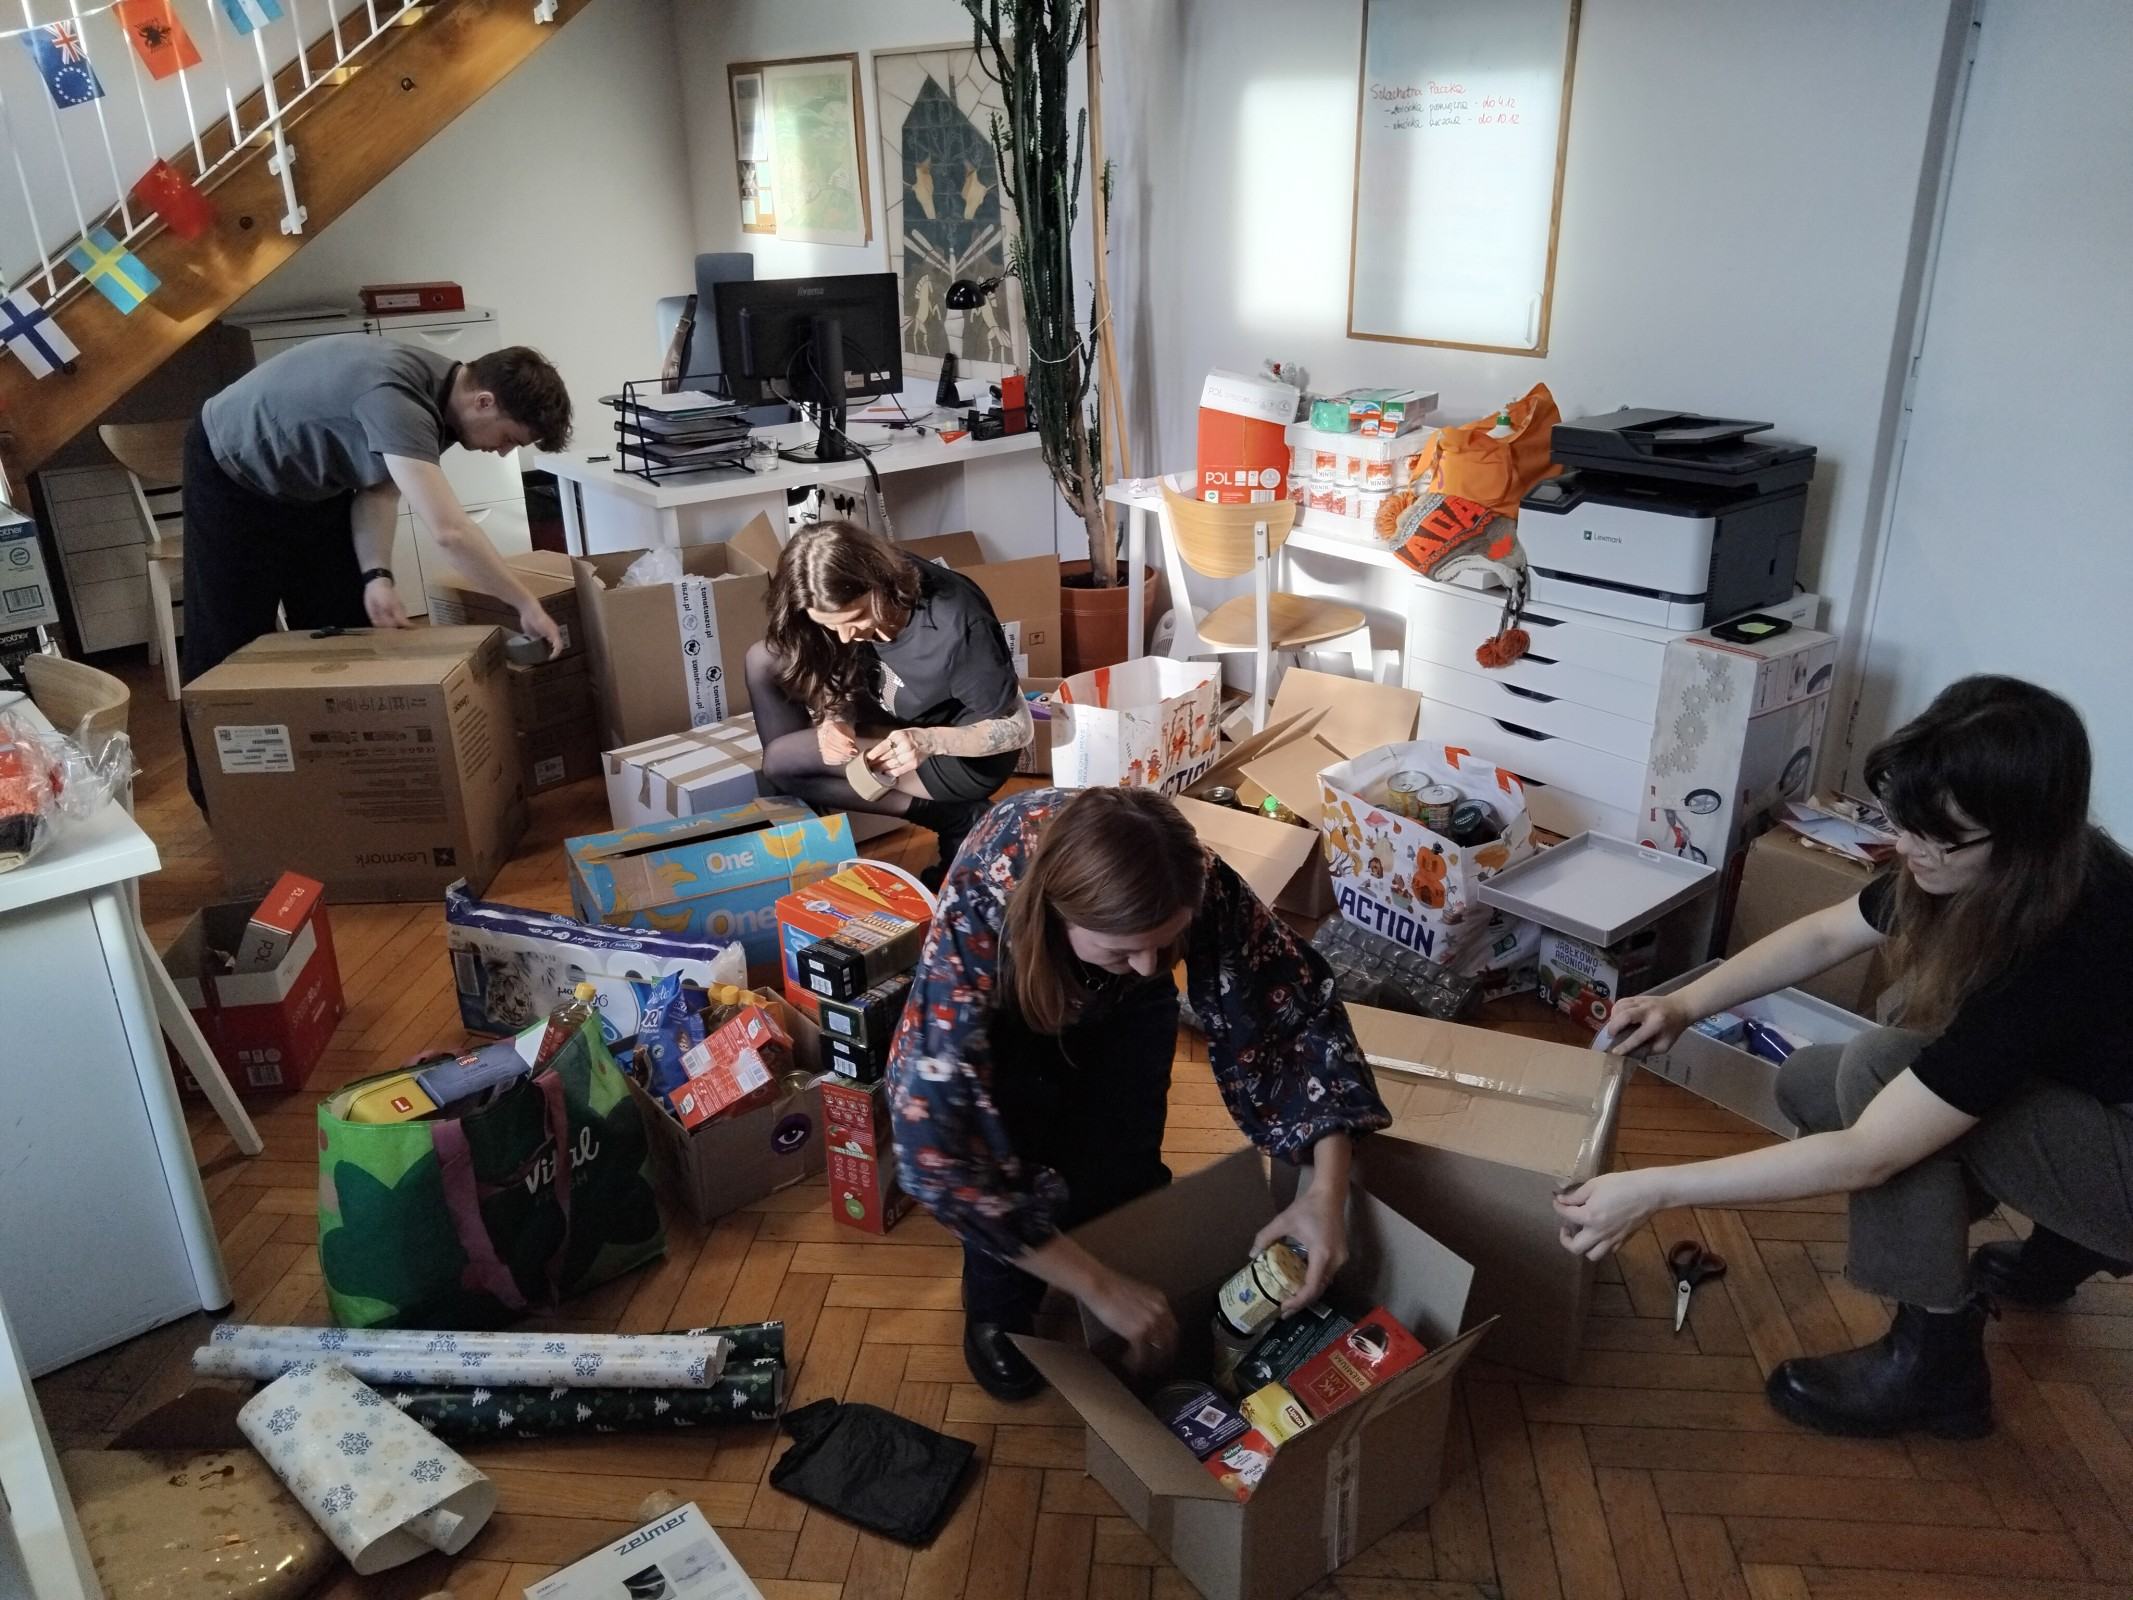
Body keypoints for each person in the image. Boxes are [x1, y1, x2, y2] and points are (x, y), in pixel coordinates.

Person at [1555, 676, 2133, 1440]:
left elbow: (1867, 1156)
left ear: (2020, 832)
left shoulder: (2060, 944)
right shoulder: (2008, 863)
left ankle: (1935, 1364)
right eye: (1904, 820)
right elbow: (1829, 933)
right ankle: (2064, 1245)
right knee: (1811, 1081)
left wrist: (1654, 1189)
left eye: (1936, 836)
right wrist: (1682, 1003)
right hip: (2097, 1099)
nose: (1906, 848)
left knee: (1875, 1072)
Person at [887, 785, 1392, 1400]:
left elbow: (1294, 1017)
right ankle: (999, 1301)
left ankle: (1125, 1256)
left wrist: (1326, 1192)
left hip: (1122, 1004)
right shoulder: (984, 900)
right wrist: (1099, 1288)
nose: (1155, 966)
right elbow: (941, 1147)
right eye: (1126, 948)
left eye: (1167, 943)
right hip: (1011, 1004)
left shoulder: (1191, 877)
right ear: (1058, 914)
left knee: (1122, 1147)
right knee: (1013, 1136)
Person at [180, 337, 574, 810]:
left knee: (342, 628)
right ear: (485, 401)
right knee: (228, 645)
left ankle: (333, 779)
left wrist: (376, 576)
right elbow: (450, 532)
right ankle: (222, 802)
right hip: (233, 471)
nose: (505, 452)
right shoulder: (398, 398)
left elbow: (379, 489)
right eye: (509, 438)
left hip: (313, 483)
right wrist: (524, 603)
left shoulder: (444, 397)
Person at [746, 520, 1030, 886]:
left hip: (954, 750)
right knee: (762, 659)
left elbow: (1018, 729)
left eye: (855, 618)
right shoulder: (840, 593)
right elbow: (840, 657)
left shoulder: (958, 624)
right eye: (830, 625)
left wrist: (927, 741)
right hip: (893, 704)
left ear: (878, 582)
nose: (844, 636)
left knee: (781, 763)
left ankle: (954, 816)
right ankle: (804, 829)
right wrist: (835, 718)